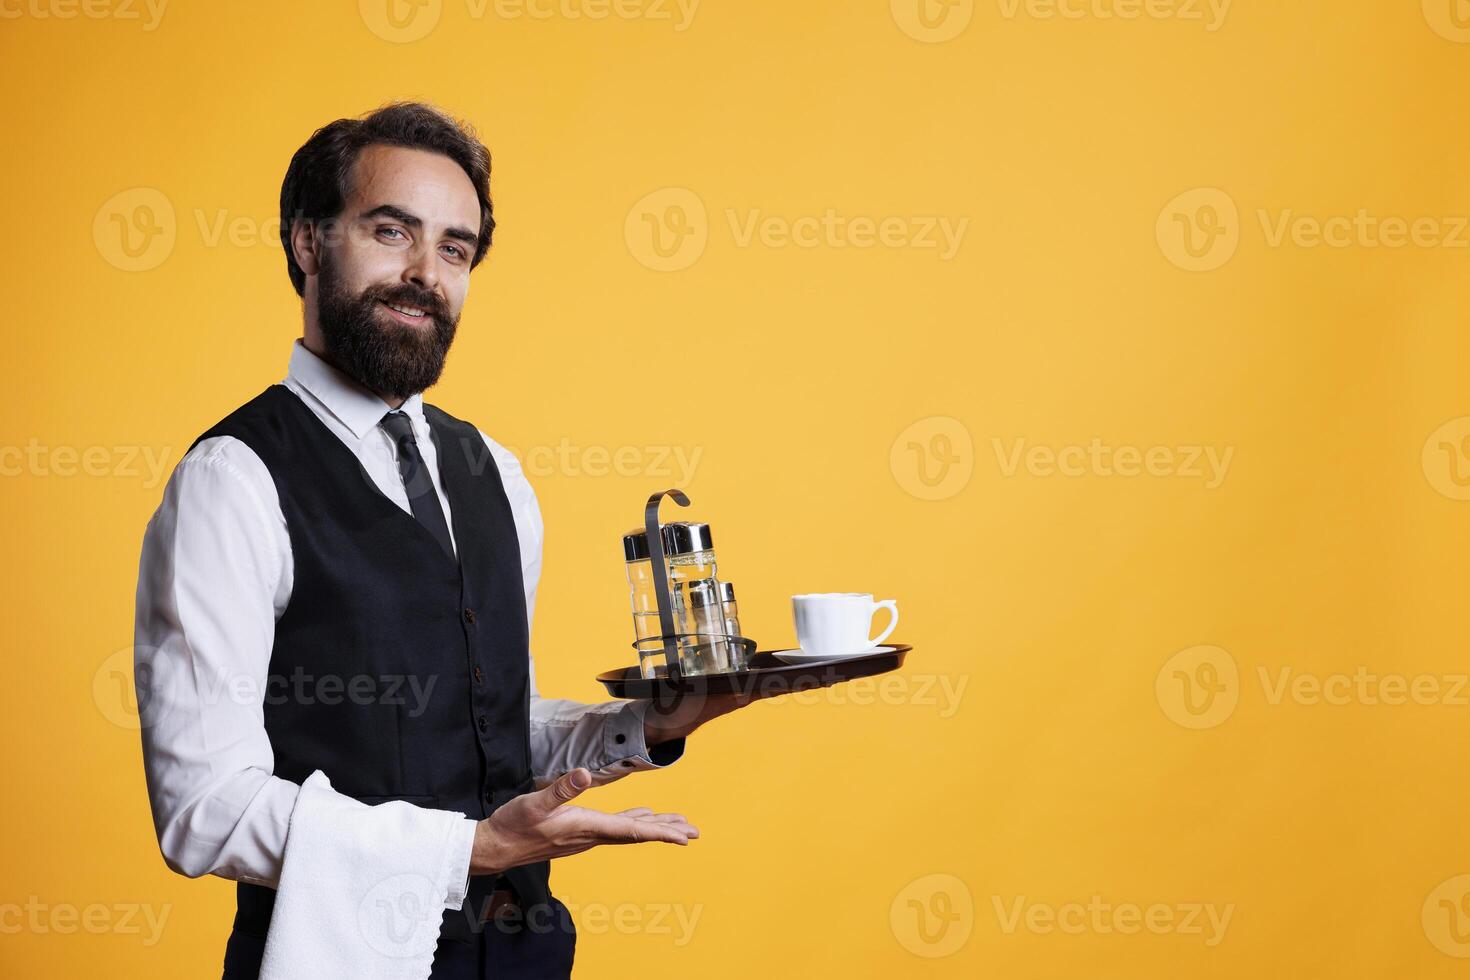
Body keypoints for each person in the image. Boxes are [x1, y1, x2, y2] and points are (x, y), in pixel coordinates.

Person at [134, 101, 755, 978]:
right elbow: (203, 808)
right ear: (308, 243)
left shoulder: (496, 471)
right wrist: (466, 849)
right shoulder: (233, 479)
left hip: (523, 956)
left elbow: (498, 728)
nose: (427, 272)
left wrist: (647, 725)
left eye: (456, 249)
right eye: (393, 232)